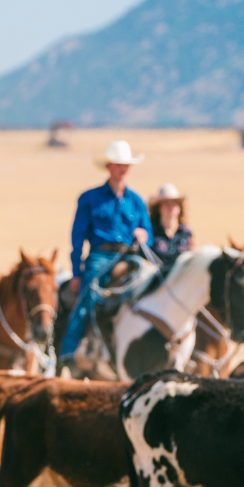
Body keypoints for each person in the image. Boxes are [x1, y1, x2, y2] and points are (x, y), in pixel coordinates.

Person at [59, 140, 153, 370]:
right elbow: (77, 237)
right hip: (101, 256)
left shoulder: (136, 200)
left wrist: (143, 235)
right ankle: (68, 355)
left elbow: (148, 233)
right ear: (109, 167)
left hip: (130, 256)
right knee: (86, 300)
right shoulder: (90, 198)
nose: (123, 169)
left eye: (126, 165)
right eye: (118, 164)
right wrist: (76, 272)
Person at [149, 183, 194, 272]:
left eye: (174, 203)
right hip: (157, 281)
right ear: (159, 208)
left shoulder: (187, 232)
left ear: (179, 207)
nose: (170, 207)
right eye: (166, 203)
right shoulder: (151, 231)